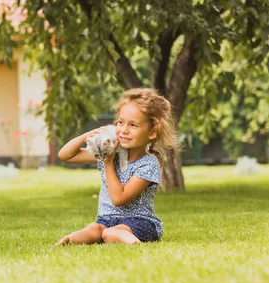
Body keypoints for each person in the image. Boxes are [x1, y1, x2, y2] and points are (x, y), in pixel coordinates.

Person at [55, 88, 178, 245]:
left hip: (140, 222)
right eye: (121, 122)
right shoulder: (110, 152)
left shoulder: (148, 163)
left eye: (133, 125)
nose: (124, 130)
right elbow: (65, 155)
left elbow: (118, 199)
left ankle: (132, 242)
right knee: (94, 228)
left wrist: (107, 163)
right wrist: (86, 136)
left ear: (152, 132)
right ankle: (70, 240)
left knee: (111, 232)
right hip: (105, 220)